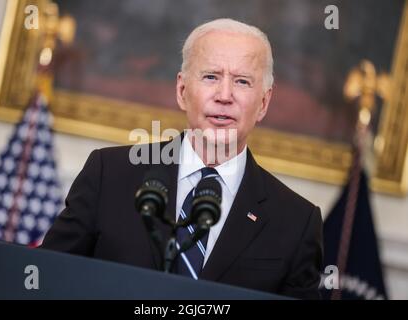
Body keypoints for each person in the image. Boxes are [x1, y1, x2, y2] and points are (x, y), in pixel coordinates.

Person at [41, 18, 323, 299]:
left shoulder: (297, 222)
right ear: (182, 91)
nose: (224, 96)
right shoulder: (109, 174)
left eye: (242, 81)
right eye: (211, 76)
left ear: (263, 103)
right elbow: (46, 280)